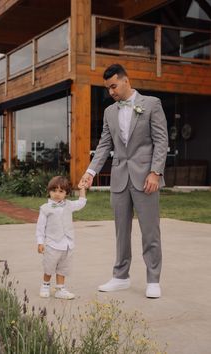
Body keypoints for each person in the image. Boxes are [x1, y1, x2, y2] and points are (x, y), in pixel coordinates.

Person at [80, 63, 168, 298]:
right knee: (121, 231)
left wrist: (155, 172)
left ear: (126, 80)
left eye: (114, 86)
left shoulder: (151, 104)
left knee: (150, 231)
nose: (111, 92)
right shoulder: (110, 112)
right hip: (119, 179)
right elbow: (104, 146)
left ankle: (153, 279)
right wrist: (90, 172)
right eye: (108, 88)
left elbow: (161, 141)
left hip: (146, 179)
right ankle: (120, 276)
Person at [36, 175, 86, 300]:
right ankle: (45, 285)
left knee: (63, 268)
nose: (57, 194)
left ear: (66, 193)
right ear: (49, 191)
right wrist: (40, 242)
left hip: (67, 244)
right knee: (49, 266)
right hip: (52, 244)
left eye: (61, 191)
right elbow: (40, 227)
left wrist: (82, 189)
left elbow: (81, 203)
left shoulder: (68, 205)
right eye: (54, 191)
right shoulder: (45, 208)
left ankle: (60, 289)